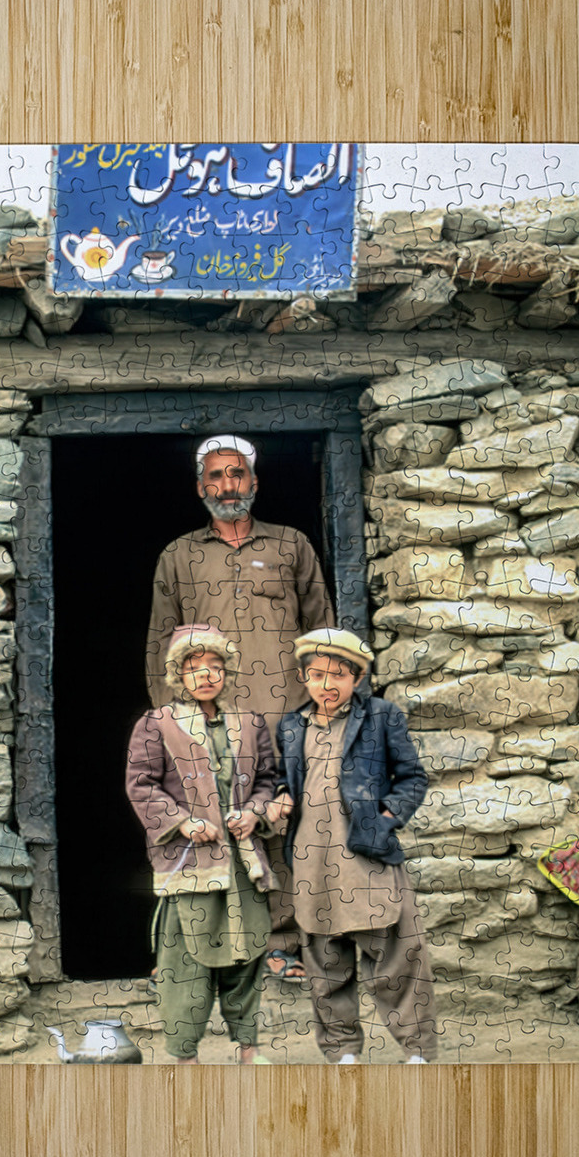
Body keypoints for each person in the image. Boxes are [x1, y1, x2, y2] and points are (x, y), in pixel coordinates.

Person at [147, 435, 336, 981]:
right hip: (210, 720)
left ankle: (285, 942)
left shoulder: (290, 545)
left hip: (289, 714)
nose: (226, 485)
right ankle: (205, 950)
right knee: (206, 826)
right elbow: (161, 641)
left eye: (236, 474)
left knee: (290, 826)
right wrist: (168, 720)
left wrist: (327, 709)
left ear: (254, 482)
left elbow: (322, 627)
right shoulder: (178, 555)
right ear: (199, 486)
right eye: (215, 476)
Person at [267, 628, 438, 1064]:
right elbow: (287, 779)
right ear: (303, 677)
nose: (327, 685)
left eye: (339, 675)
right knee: (326, 966)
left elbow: (413, 778)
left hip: (367, 855)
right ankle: (343, 1052)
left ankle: (416, 1051)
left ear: (357, 678)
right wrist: (283, 796)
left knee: (398, 957)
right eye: (317, 674)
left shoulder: (381, 716)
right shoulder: (290, 725)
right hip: (312, 861)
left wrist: (385, 819)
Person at [126, 624, 278, 1064]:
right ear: (178, 675)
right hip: (190, 866)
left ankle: (248, 1050)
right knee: (185, 964)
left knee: (247, 957)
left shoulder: (249, 724)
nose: (207, 675)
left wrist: (255, 814)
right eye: (195, 668)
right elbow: (141, 786)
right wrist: (182, 822)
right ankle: (185, 1055)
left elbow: (267, 782)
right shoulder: (156, 725)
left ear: (227, 672)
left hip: (243, 865)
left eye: (215, 666)